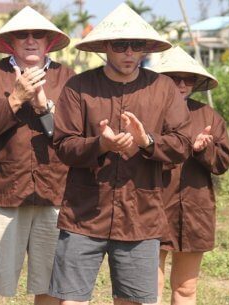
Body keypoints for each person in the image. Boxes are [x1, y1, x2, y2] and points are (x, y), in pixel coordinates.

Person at [48, 4, 192, 305]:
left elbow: (182, 144)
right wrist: (100, 145)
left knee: (134, 301)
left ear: (144, 49)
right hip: (84, 213)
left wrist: (147, 141)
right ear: (104, 48)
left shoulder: (163, 87)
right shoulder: (79, 87)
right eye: (120, 45)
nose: (128, 52)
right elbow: (63, 145)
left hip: (140, 214)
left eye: (136, 45)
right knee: (70, 300)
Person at [0, 6, 75, 305]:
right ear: (10, 42)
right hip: (3, 192)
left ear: (48, 42)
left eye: (38, 35)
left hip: (54, 191)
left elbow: (71, 135)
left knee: (50, 281)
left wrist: (43, 108)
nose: (31, 40)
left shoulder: (66, 77)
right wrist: (15, 99)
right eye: (22, 35)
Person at [151, 46, 229, 305]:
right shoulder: (149, 113)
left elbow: (222, 163)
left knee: (186, 288)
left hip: (195, 210)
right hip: (153, 206)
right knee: (149, 287)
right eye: (174, 78)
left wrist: (203, 149)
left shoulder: (208, 116)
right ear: (161, 80)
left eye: (188, 79)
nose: (182, 84)